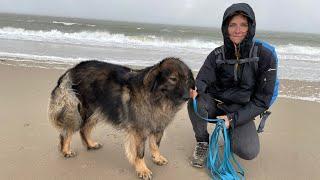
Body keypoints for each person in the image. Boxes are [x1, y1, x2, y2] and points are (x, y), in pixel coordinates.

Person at [188, 3, 277, 168]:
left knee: (248, 151)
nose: (237, 30)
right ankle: (202, 143)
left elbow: (261, 101)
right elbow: (202, 79)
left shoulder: (265, 56)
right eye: (232, 25)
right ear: (225, 28)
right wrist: (195, 88)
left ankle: (231, 129)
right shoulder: (216, 55)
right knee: (195, 102)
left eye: (243, 25)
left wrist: (232, 119)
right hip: (217, 105)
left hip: (242, 110)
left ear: (251, 27)